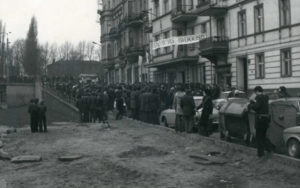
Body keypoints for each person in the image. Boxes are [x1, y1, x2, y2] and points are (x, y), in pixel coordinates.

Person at [248, 86, 273, 157]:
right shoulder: (266, 97)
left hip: (260, 119)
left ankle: (260, 153)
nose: (255, 94)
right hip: (266, 119)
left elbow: (257, 107)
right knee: (264, 135)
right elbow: (261, 106)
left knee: (259, 137)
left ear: (258, 91)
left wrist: (250, 105)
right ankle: (269, 149)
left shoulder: (259, 97)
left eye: (255, 92)